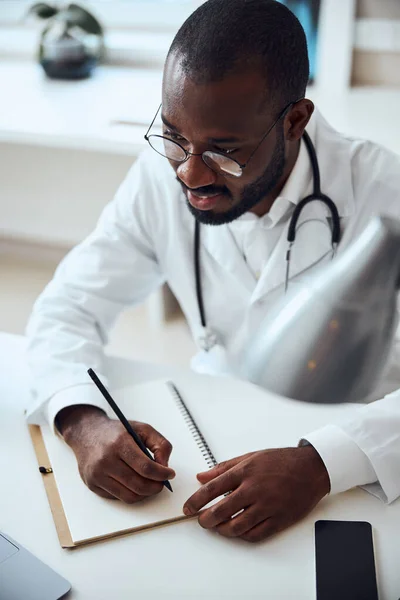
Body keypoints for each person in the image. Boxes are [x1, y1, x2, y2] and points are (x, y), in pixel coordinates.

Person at [26, 0, 400, 544]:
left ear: (295, 121)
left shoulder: (385, 197)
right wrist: (83, 419)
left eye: (225, 151)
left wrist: (321, 463)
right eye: (175, 137)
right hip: (209, 441)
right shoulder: (163, 176)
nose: (190, 173)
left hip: (364, 460)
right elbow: (68, 306)